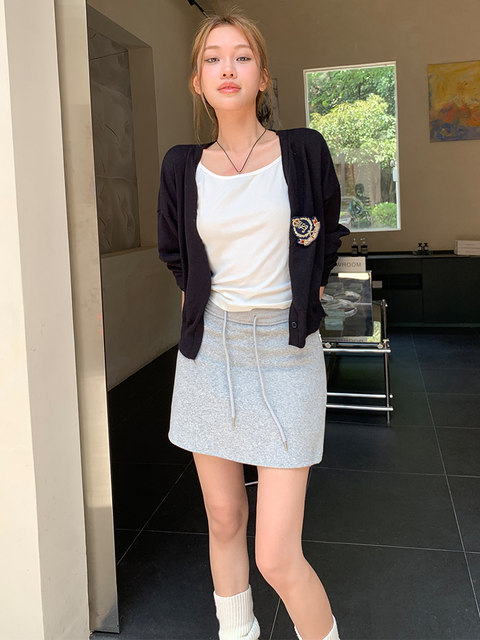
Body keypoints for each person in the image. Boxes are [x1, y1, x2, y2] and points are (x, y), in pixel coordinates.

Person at [157, 10, 349, 640]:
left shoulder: (302, 151)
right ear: (197, 81)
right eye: (213, 58)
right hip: (210, 351)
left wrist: (307, 292)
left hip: (286, 351)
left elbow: (325, 230)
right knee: (223, 517)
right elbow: (177, 255)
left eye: (242, 56)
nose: (228, 68)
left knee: (276, 555)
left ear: (263, 75)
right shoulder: (182, 166)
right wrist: (201, 314)